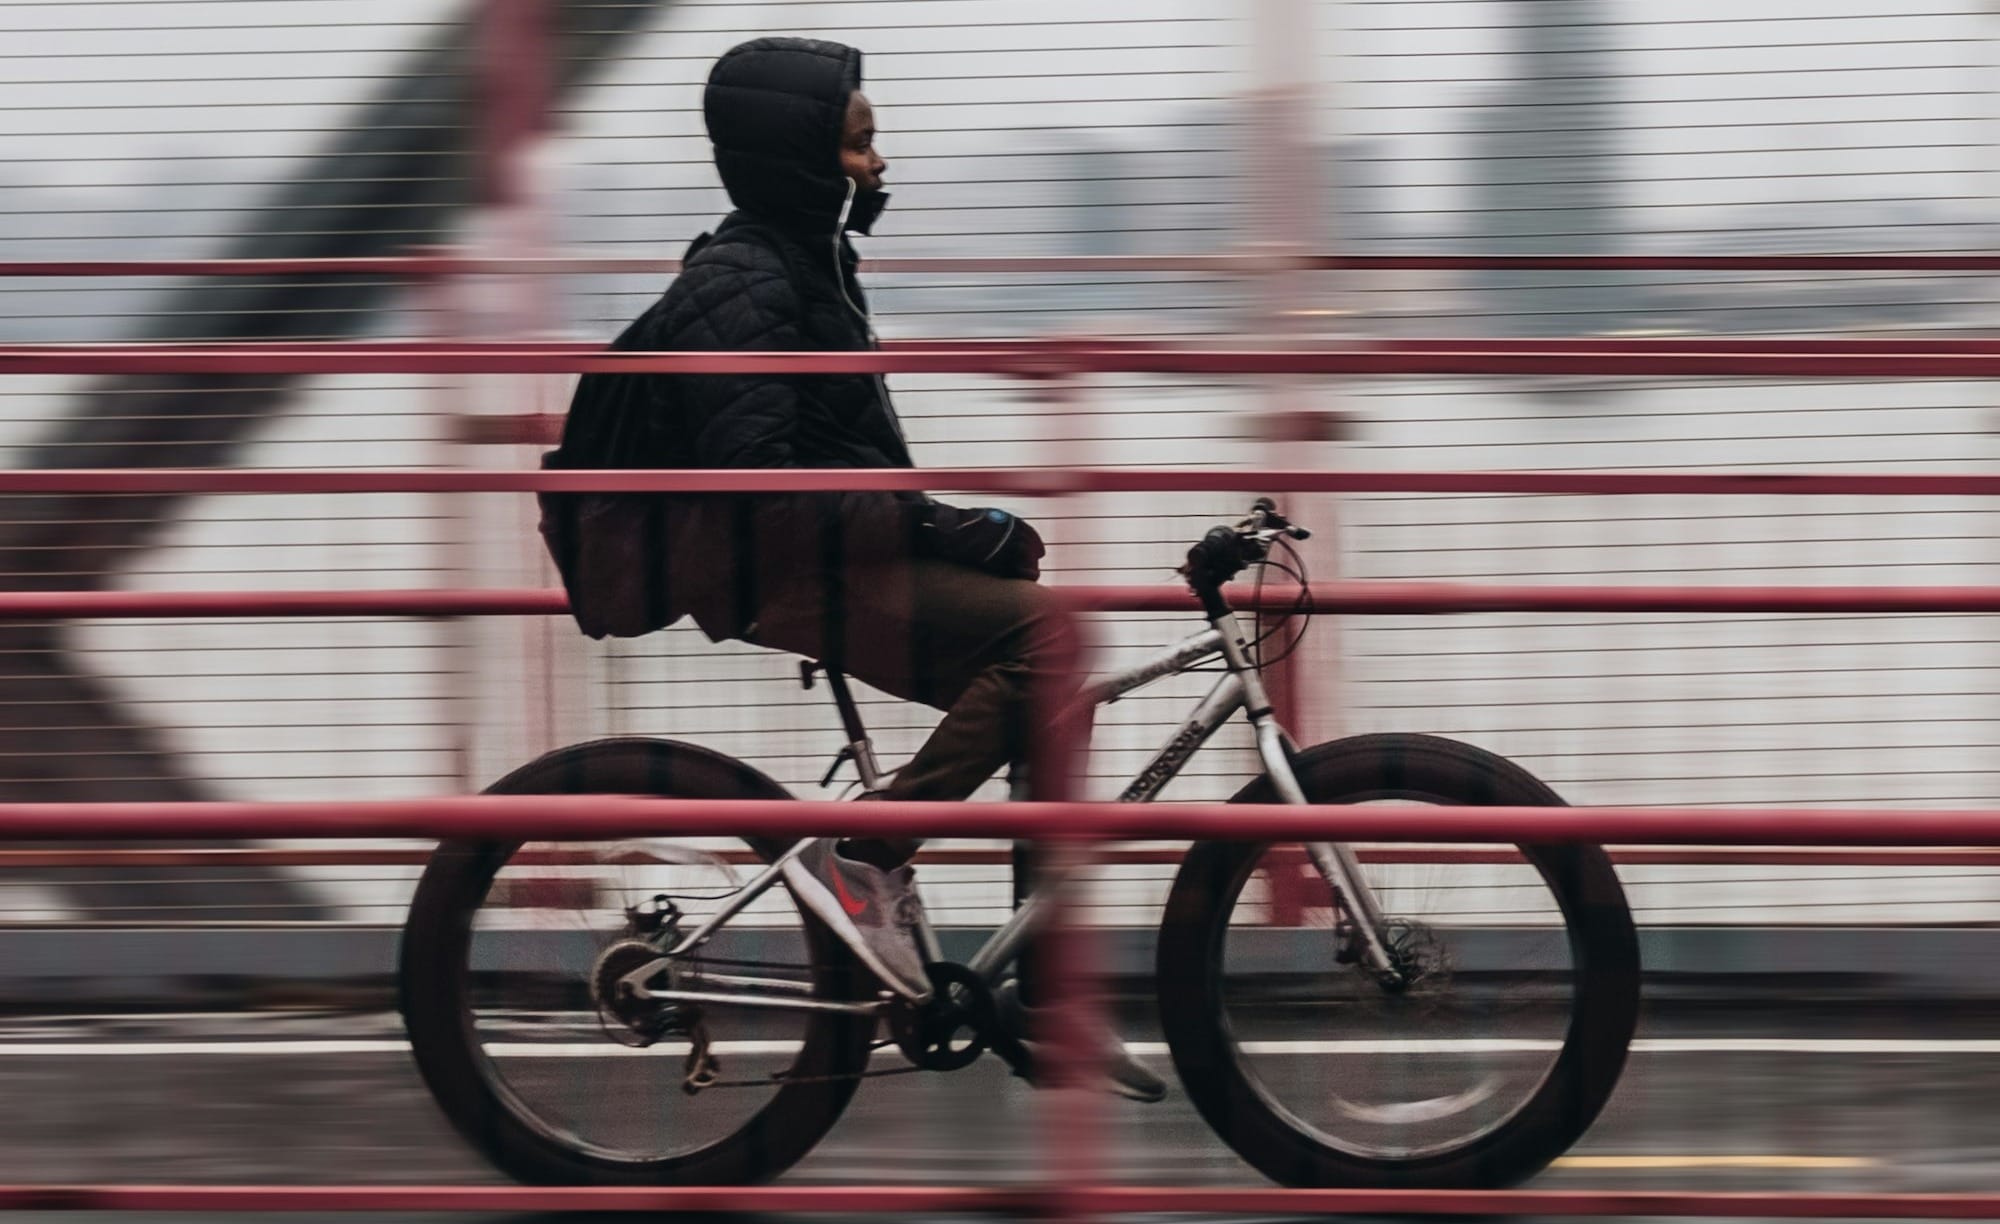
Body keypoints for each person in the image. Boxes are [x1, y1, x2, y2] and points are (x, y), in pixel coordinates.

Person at [554, 36, 1163, 1101]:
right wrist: (936, 527)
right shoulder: (741, 280)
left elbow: (826, 467)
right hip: (778, 570)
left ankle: (1040, 989)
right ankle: (868, 854)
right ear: (800, 157)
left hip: (814, 555)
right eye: (859, 143)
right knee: (1050, 636)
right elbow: (765, 489)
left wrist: (940, 528)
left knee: (1043, 670)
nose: (879, 166)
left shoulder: (802, 260)